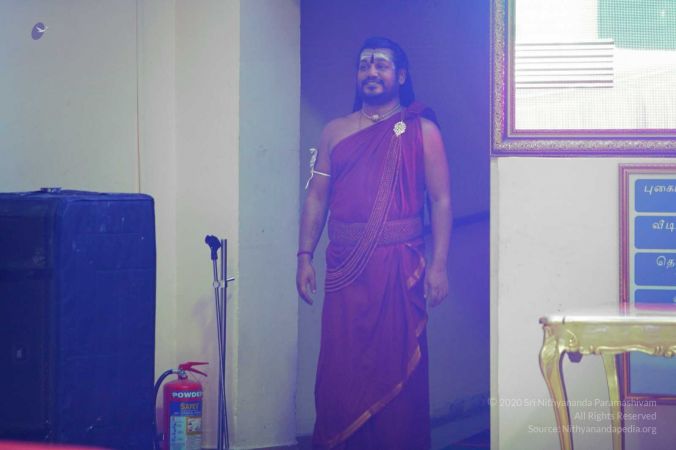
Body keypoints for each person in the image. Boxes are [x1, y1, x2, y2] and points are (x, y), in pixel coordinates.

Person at [296, 36, 452, 450]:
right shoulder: (335, 131)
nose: (371, 72)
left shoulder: (422, 130)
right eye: (365, 65)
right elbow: (316, 198)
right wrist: (304, 256)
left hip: (398, 268)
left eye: (381, 65)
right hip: (345, 270)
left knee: (397, 366)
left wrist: (438, 266)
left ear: (400, 76)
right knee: (340, 367)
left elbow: (440, 200)